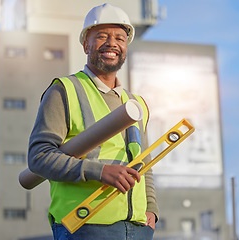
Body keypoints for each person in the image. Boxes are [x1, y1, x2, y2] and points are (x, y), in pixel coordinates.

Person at [28, 3, 158, 240]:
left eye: (120, 37)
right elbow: (39, 157)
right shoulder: (64, 91)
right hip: (85, 225)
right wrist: (100, 172)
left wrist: (151, 211)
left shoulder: (136, 104)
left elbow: (144, 164)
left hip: (138, 229)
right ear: (86, 44)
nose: (112, 43)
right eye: (102, 36)